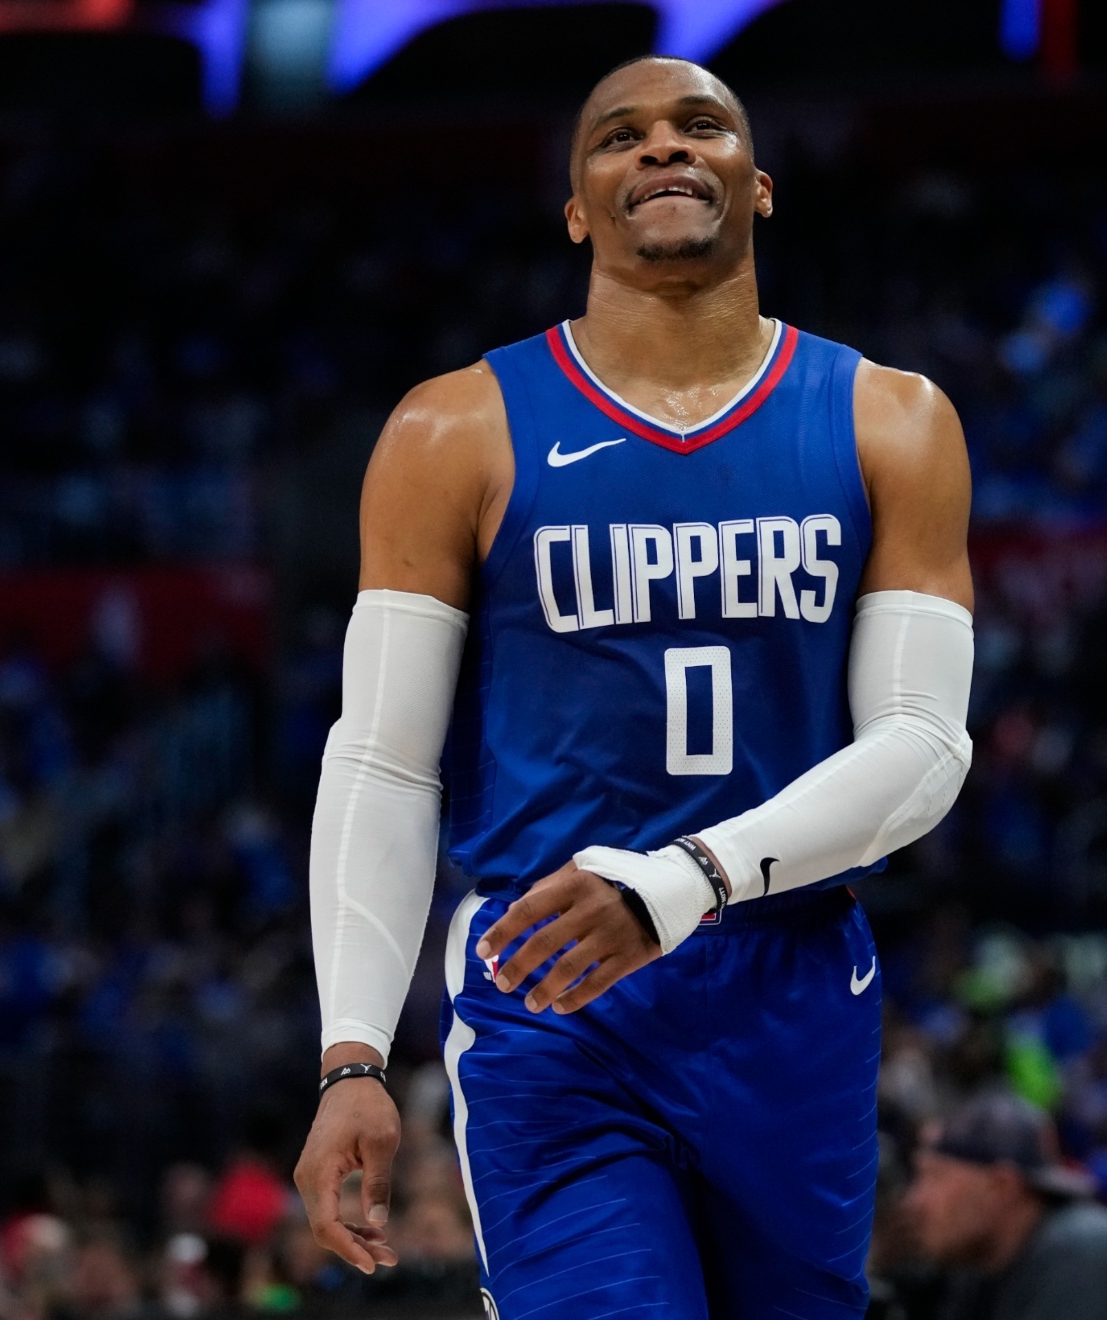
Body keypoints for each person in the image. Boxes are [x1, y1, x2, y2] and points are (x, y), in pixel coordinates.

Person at [291, 54, 975, 1319]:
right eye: (620, 136)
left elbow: (926, 745)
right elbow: (382, 760)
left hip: (792, 976)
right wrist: (351, 1057)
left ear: (757, 185)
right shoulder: (454, 430)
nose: (662, 149)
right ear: (576, 208)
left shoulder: (893, 419)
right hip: (554, 992)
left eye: (698, 125)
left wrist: (680, 882)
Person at [899, 1094, 1107, 1320]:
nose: (914, 1202)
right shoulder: (978, 1267)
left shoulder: (1083, 1250)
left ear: (1000, 1187)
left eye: (935, 1176)